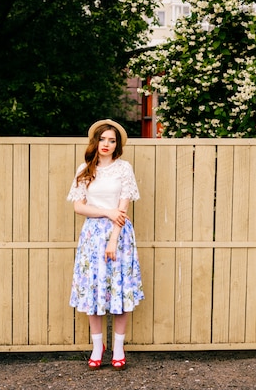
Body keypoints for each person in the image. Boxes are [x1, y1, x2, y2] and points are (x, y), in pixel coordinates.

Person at [67, 119, 144, 371]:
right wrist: (106, 212)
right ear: (95, 141)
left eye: (112, 141)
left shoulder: (124, 169)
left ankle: (119, 349)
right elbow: (79, 206)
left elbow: (123, 208)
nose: (107, 144)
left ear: (117, 145)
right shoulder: (85, 169)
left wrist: (113, 238)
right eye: (103, 139)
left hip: (118, 237)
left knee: (119, 290)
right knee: (94, 289)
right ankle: (98, 347)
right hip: (91, 236)